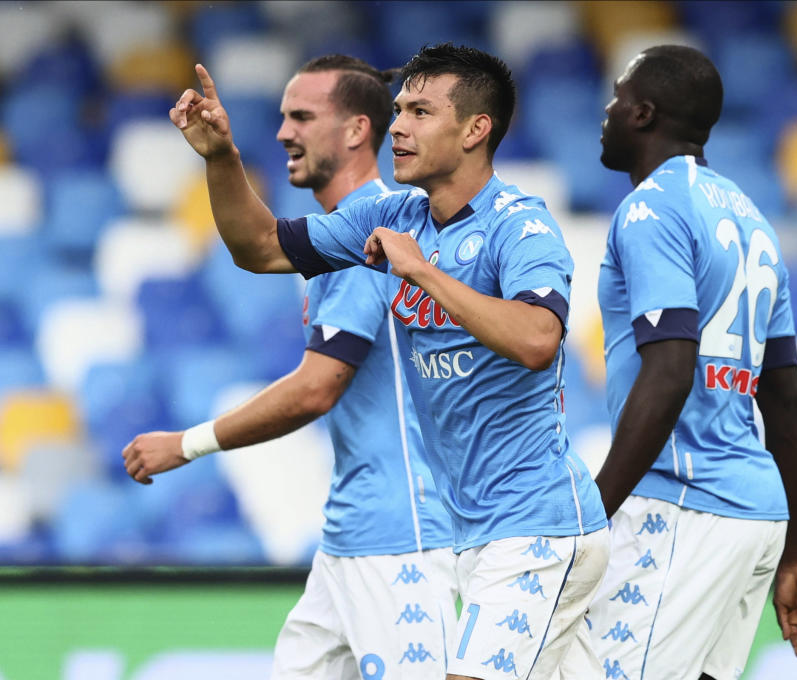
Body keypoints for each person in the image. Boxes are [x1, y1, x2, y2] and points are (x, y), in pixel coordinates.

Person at [163, 43, 610, 680]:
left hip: (537, 525)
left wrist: (422, 272)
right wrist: (221, 157)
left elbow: (539, 340)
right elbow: (259, 248)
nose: (397, 125)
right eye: (398, 109)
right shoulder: (392, 214)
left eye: (421, 111)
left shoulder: (522, 225)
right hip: (471, 529)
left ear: (475, 129)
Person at [122, 55, 457, 680]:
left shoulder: (377, 232)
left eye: (302, 116)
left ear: (358, 130)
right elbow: (258, 246)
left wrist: (187, 444)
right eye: (281, 117)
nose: (282, 133)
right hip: (354, 534)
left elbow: (317, 388)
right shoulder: (341, 232)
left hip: (403, 537)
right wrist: (221, 156)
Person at [588, 44, 797, 680]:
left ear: (642, 114)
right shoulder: (754, 219)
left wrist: (591, 516)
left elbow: (669, 370)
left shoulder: (650, 209)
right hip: (756, 514)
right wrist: (795, 551)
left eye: (617, 96)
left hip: (681, 505)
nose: (607, 109)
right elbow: (783, 398)